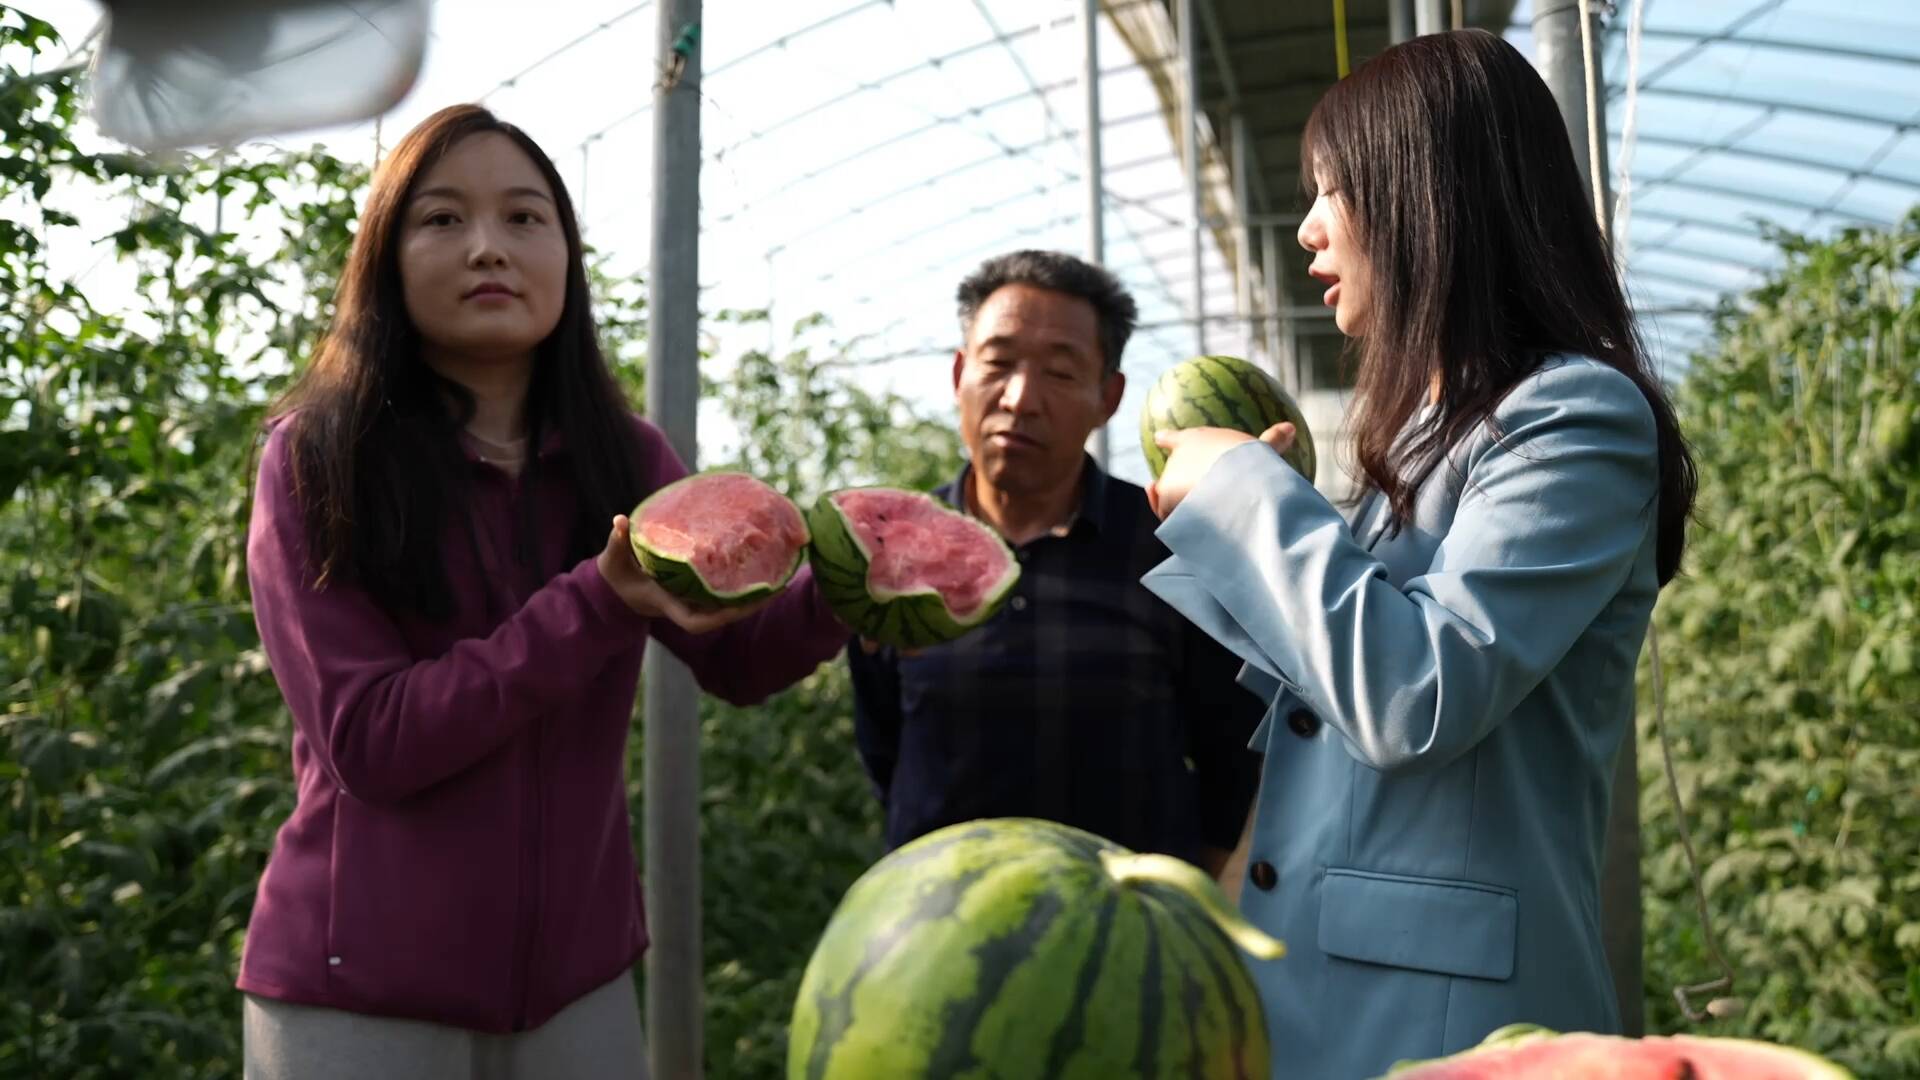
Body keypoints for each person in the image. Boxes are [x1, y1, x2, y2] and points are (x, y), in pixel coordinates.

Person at [238, 104, 849, 1079]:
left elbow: (737, 657)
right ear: (386, 258)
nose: (489, 247)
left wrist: (851, 587)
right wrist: (598, 603)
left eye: (526, 218)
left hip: (580, 991)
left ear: (568, 255)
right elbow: (372, 740)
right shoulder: (321, 459)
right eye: (442, 219)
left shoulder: (625, 457)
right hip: (359, 995)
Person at [1140, 30, 1698, 1080]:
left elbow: (1415, 691)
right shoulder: (1421, 438)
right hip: (1321, 996)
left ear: (1424, 193)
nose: (1305, 230)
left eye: (1330, 191)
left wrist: (1248, 498)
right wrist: (1247, 520)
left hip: (1450, 1022)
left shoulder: (1575, 416)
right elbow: (1331, 697)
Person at [847, 250, 1265, 876]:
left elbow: (1232, 760)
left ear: (1109, 398)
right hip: (936, 933)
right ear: (960, 373)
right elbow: (883, 745)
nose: (1020, 399)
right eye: (998, 363)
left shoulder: (1175, 549)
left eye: (1061, 373)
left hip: (1129, 940)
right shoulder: (894, 554)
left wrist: (1190, 914)